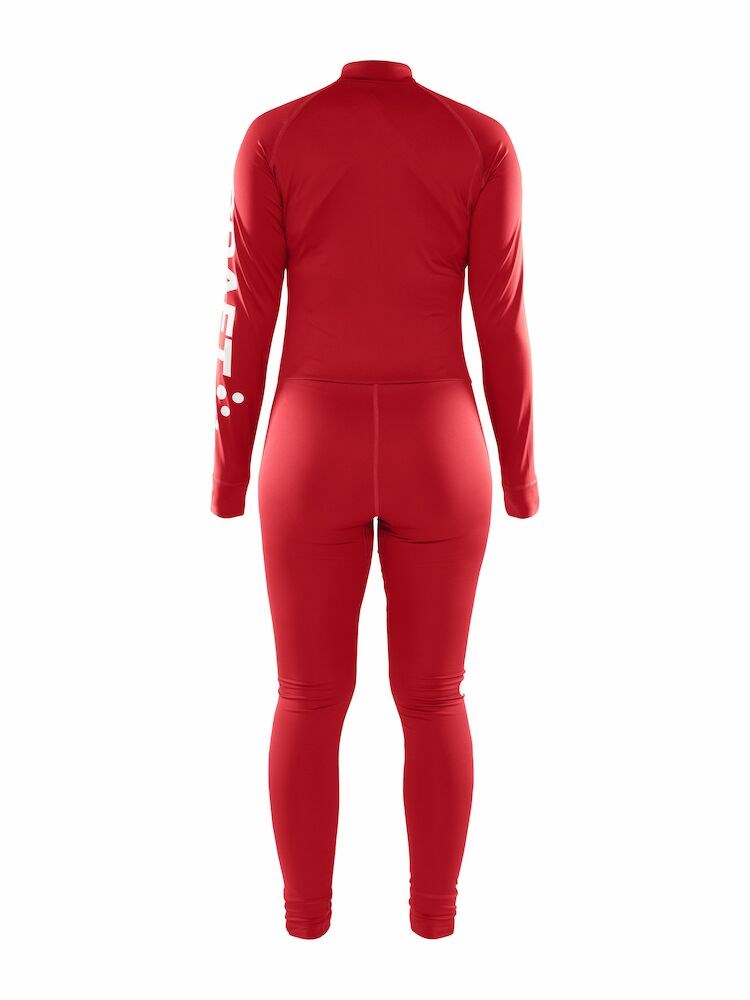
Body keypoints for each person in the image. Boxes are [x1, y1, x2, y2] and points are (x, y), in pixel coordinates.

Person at [210, 59, 539, 939]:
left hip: (310, 447)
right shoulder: (481, 141)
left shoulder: (274, 138)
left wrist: (230, 474)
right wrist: (519, 475)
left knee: (307, 698)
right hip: (442, 447)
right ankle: (434, 920)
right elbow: (502, 321)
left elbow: (246, 317)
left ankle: (305, 922)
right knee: (435, 697)